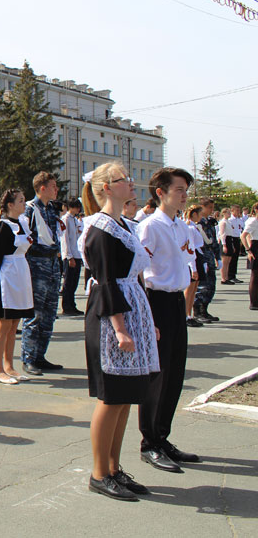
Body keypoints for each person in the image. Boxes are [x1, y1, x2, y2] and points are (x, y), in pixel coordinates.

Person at [79, 162, 160, 502]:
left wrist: (147, 320)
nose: (131, 183)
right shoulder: (99, 229)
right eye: (124, 179)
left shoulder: (123, 224)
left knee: (126, 397)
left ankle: (114, 467)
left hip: (131, 311)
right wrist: (121, 329)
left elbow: (134, 275)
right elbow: (107, 280)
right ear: (107, 188)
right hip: (111, 318)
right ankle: (99, 473)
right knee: (110, 398)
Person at [136, 167, 200, 473]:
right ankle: (149, 443)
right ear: (160, 193)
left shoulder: (181, 227)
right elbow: (139, 273)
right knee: (156, 376)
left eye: (186, 190)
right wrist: (148, 318)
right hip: (156, 302)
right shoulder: (150, 227)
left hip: (176, 301)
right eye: (178, 189)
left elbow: (186, 264)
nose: (184, 195)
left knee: (175, 373)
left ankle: (163, 437)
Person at [0, 190, 34, 384]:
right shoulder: (2, 226)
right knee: (4, 324)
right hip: (7, 278)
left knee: (15, 324)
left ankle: (9, 366)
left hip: (20, 274)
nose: (24, 204)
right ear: (10, 205)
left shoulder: (21, 224)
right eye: (21, 201)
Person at [21, 172, 64, 376]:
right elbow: (25, 241)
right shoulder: (29, 210)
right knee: (34, 315)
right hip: (37, 268)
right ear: (42, 187)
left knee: (49, 315)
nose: (57, 190)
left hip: (53, 267)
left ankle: (40, 355)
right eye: (53, 186)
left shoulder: (50, 209)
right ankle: (28, 358)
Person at [194, 198, 221, 322]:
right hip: (202, 257)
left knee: (211, 286)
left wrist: (218, 257)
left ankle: (205, 310)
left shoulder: (209, 222)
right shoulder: (196, 223)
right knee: (202, 287)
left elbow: (214, 241)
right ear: (202, 207)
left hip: (210, 257)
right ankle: (197, 312)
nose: (211, 210)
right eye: (209, 207)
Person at [60, 199, 84, 317]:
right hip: (70, 255)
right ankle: (66, 306)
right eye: (76, 207)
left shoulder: (74, 220)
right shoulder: (65, 219)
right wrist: (69, 257)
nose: (78, 210)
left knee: (74, 282)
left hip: (77, 253)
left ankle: (72, 304)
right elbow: (65, 239)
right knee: (68, 282)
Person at [183, 206, 205, 328]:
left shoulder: (194, 226)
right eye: (199, 214)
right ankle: (186, 315)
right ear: (194, 214)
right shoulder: (189, 228)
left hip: (198, 256)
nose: (201, 216)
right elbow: (190, 248)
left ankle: (189, 314)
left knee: (194, 288)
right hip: (193, 258)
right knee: (189, 289)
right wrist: (193, 268)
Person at [240, 203, 258, 310]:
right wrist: (248, 250)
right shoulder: (252, 221)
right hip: (256, 246)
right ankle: (254, 302)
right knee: (255, 276)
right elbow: (243, 236)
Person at [218, 208, 235, 285]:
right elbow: (222, 234)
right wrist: (224, 245)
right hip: (225, 241)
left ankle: (226, 277)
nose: (229, 214)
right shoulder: (223, 222)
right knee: (224, 262)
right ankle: (223, 278)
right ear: (224, 213)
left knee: (228, 261)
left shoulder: (228, 222)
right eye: (228, 213)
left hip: (229, 239)